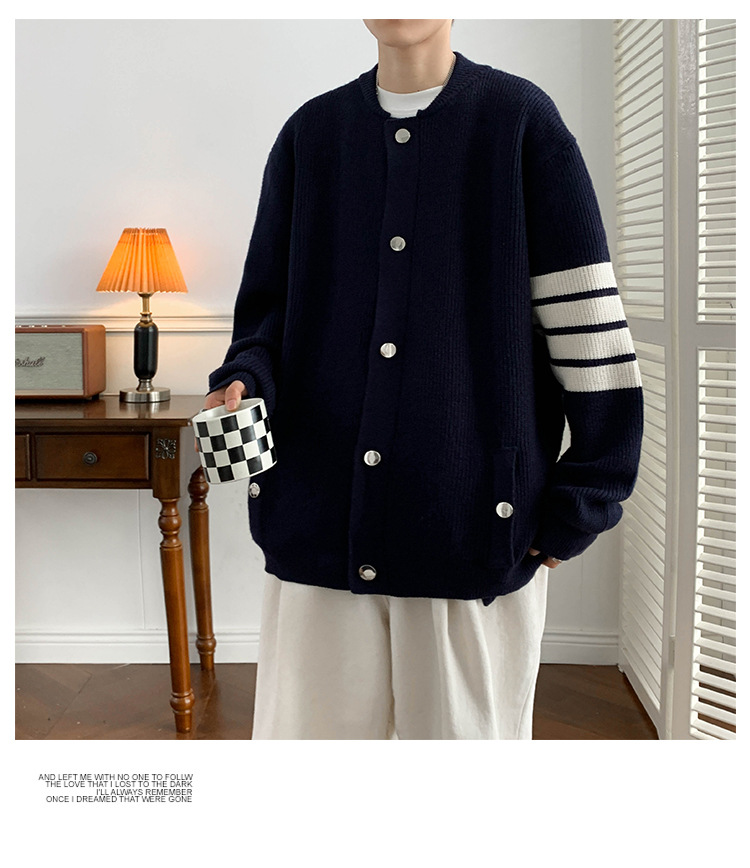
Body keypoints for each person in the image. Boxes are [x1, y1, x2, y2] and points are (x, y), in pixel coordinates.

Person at [204, 19, 644, 739]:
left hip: (470, 527)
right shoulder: (311, 136)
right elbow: (264, 318)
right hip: (318, 525)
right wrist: (244, 379)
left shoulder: (520, 124)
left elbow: (587, 327)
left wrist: (584, 501)